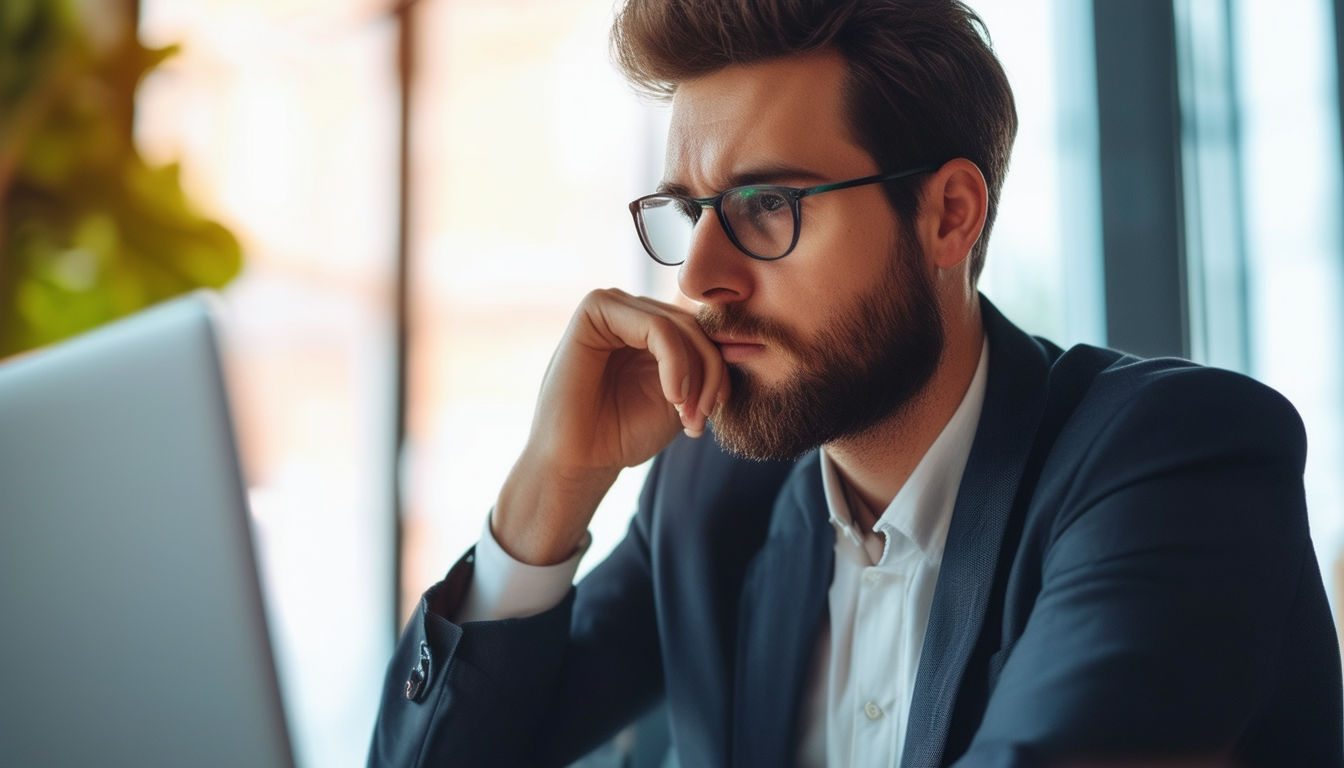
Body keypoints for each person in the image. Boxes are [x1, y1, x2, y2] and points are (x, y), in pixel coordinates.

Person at [367, 1, 1343, 766]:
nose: (700, 274)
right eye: (687, 209)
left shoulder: (1179, 460)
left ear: (949, 216)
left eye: (768, 205)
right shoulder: (712, 498)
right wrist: (551, 482)